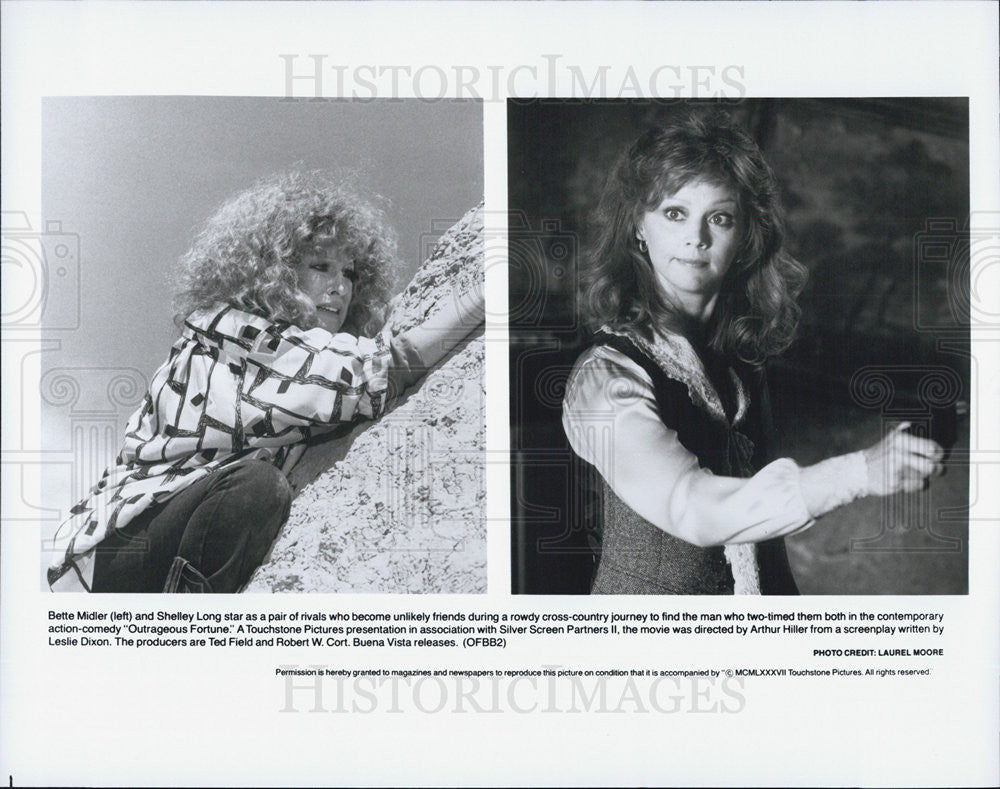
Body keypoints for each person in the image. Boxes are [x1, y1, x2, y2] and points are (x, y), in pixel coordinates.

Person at [561, 113, 943, 595]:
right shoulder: (606, 378)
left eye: (719, 218)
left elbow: (760, 550)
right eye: (674, 213)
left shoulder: (739, 367)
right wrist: (856, 473)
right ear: (639, 226)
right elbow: (690, 506)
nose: (696, 238)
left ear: (744, 238)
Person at [48, 170, 483, 593]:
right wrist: (478, 301)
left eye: (349, 274)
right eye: (321, 266)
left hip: (179, 536)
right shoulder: (226, 332)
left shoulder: (305, 354)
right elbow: (370, 373)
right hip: (117, 550)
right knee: (255, 488)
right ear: (273, 271)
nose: (340, 287)